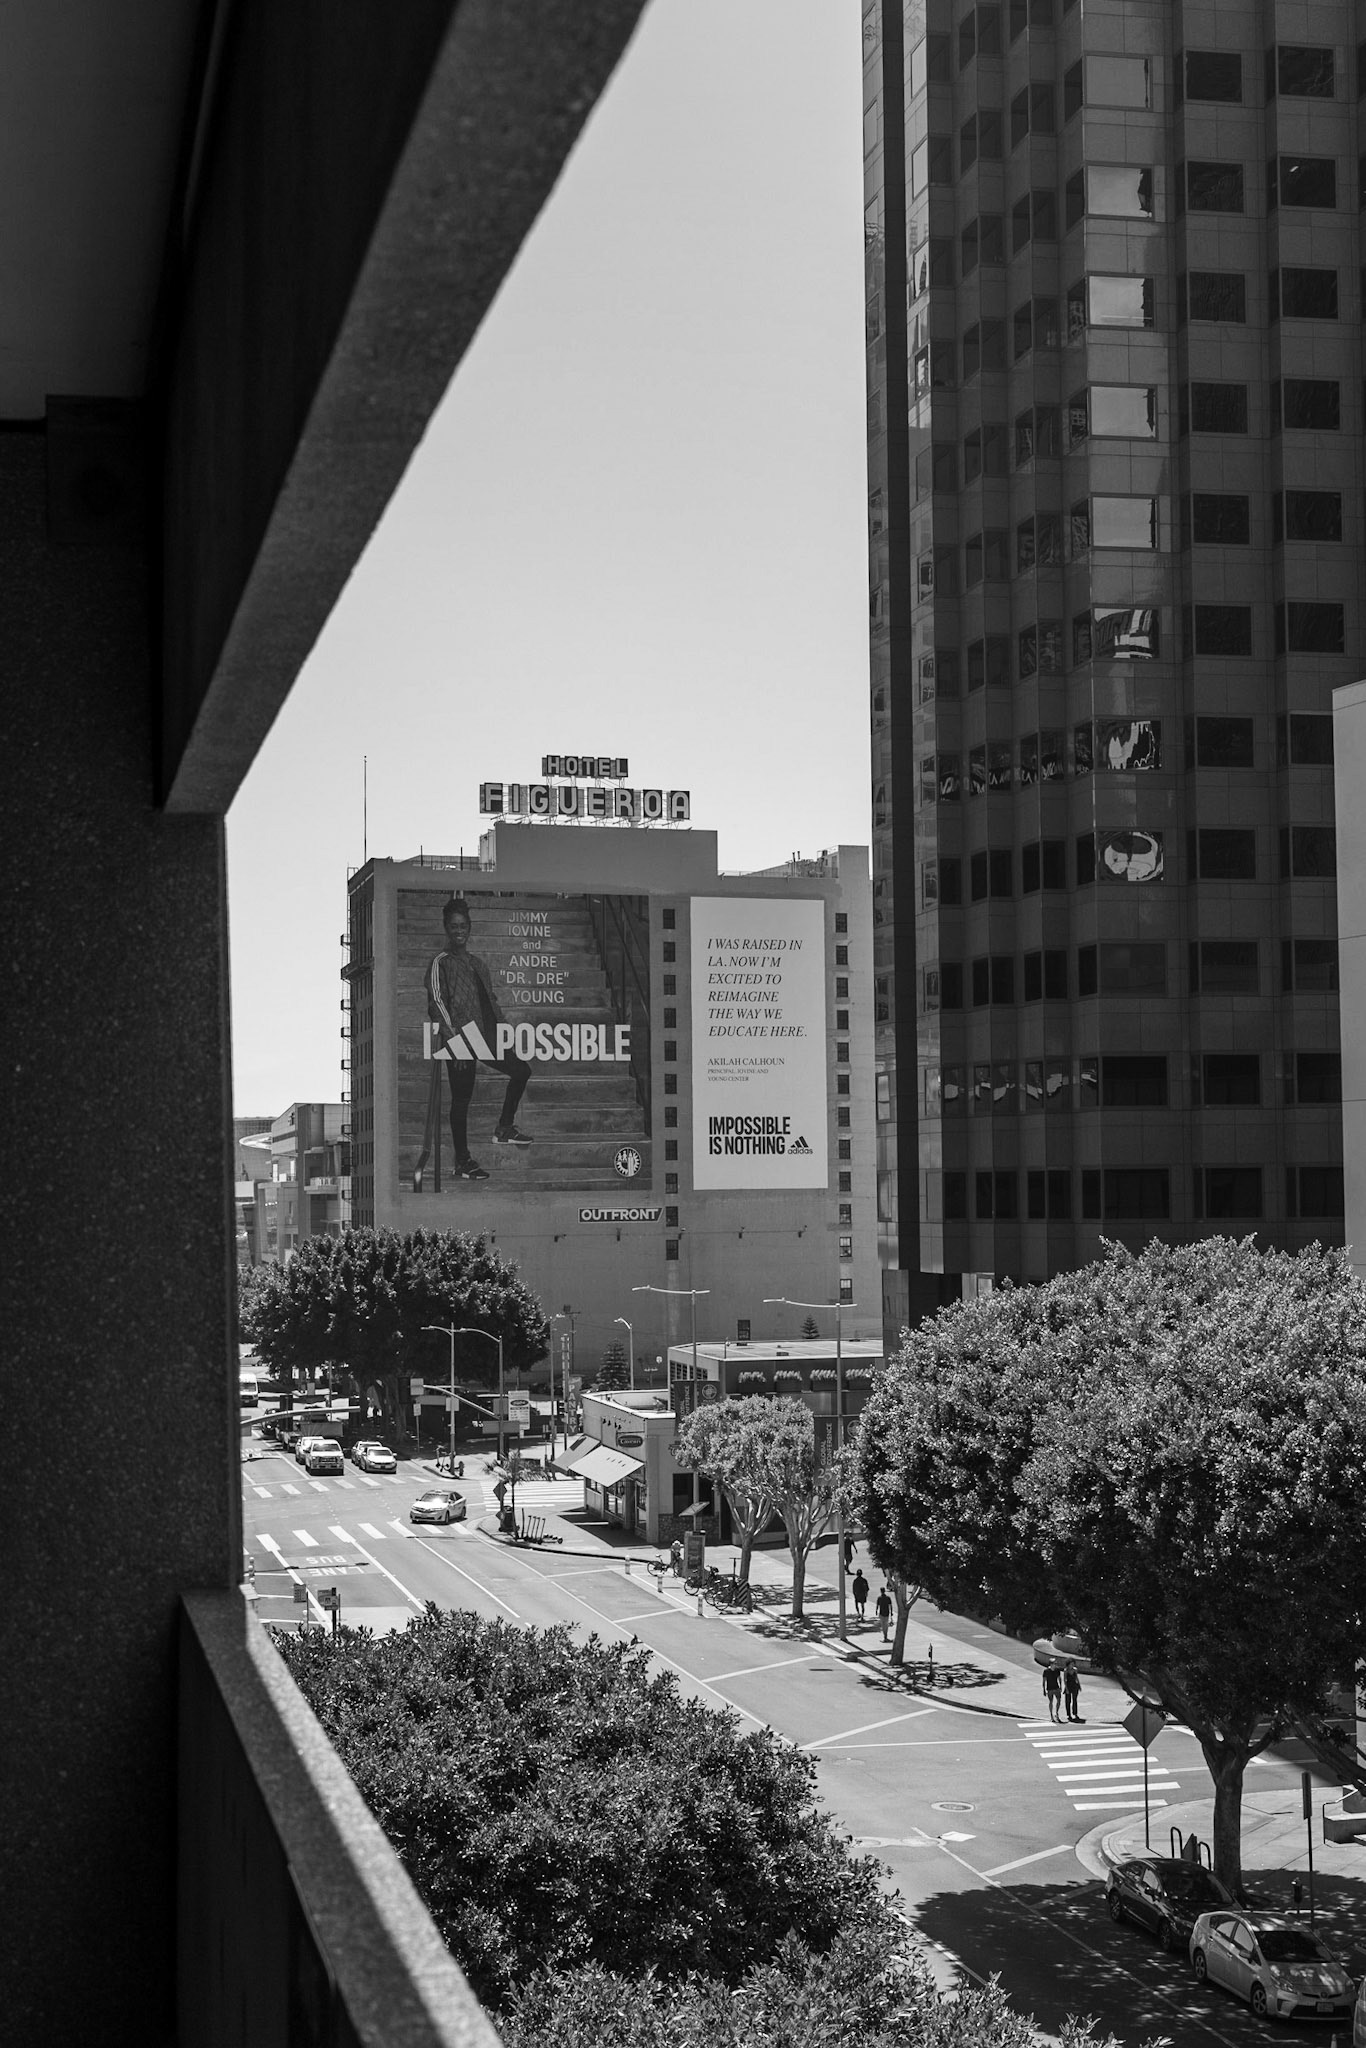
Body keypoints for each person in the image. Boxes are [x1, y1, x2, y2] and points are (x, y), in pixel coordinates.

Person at [425, 895, 533, 1180]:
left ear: (469, 927)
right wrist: (456, 1044)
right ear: (446, 928)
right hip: (460, 1037)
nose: (458, 930)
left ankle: (504, 1127)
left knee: (522, 1071)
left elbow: (491, 1000)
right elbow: (437, 1005)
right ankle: (463, 1162)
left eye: (463, 925)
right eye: (453, 926)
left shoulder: (478, 964)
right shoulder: (440, 963)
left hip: (484, 1034)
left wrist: (504, 1028)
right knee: (462, 1100)